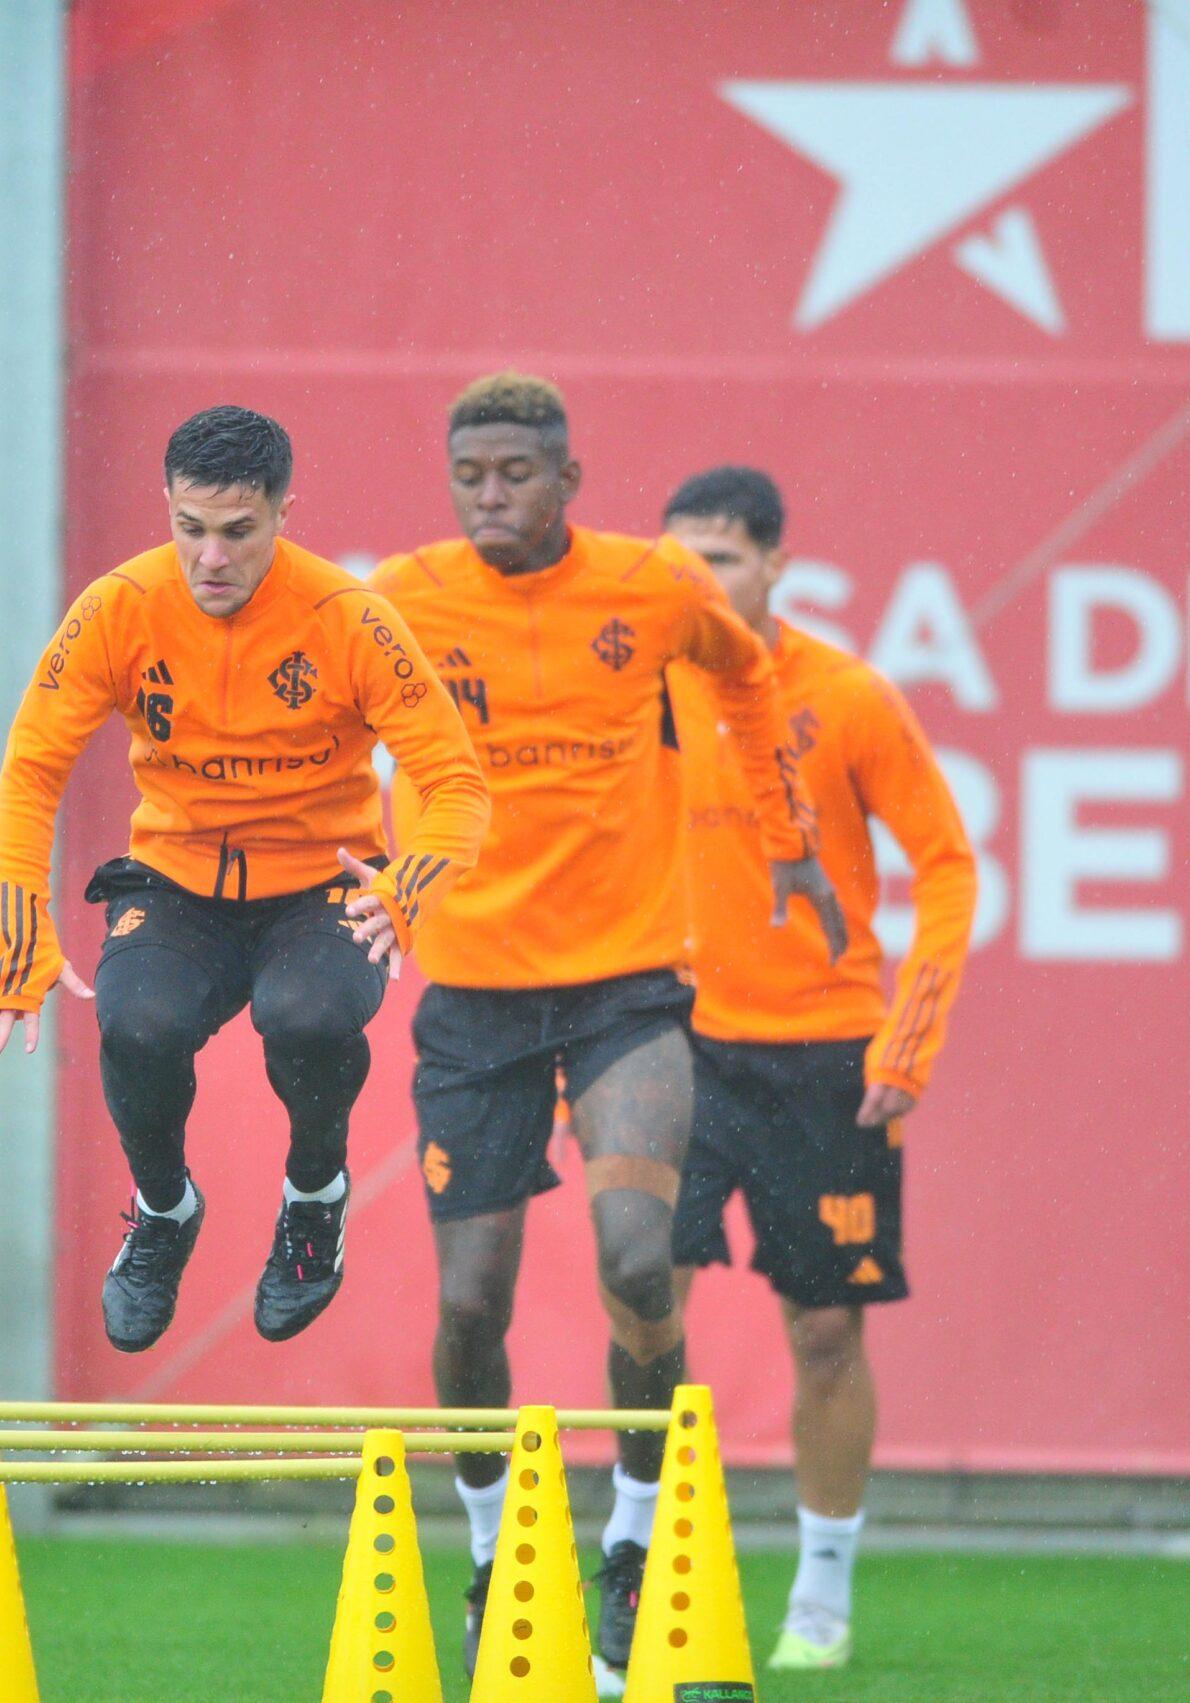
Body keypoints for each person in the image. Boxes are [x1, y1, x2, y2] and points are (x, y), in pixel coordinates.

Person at [369, 374, 844, 1687]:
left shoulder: (651, 587)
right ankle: (487, 1555)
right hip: (471, 1000)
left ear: (571, 480)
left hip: (629, 988)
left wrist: (792, 842)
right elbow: (316, 715)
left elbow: (749, 687)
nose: (490, 496)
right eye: (469, 473)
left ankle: (630, 1551)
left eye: (517, 472)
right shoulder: (402, 597)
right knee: (471, 1302)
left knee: (641, 1264)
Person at [0, 404, 487, 1352]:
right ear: (166, 506)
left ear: (285, 513)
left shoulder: (351, 617)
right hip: (174, 883)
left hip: (320, 886)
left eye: (239, 532)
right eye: (190, 528)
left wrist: (408, 887)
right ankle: (164, 1211)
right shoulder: (118, 608)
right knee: (136, 1025)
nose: (212, 557)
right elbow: (30, 772)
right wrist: (20, 934)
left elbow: (455, 782)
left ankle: (314, 1197)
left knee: (310, 1016)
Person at [662, 467, 976, 1672]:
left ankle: (822, 1590)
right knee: (646, 1301)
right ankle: (648, 1563)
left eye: (724, 560)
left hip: (822, 1053)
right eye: (680, 562)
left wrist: (911, 1039)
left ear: (778, 563)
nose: (703, 583)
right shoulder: (643, 694)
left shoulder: (846, 697)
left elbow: (946, 865)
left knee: (826, 1327)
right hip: (670, 1040)